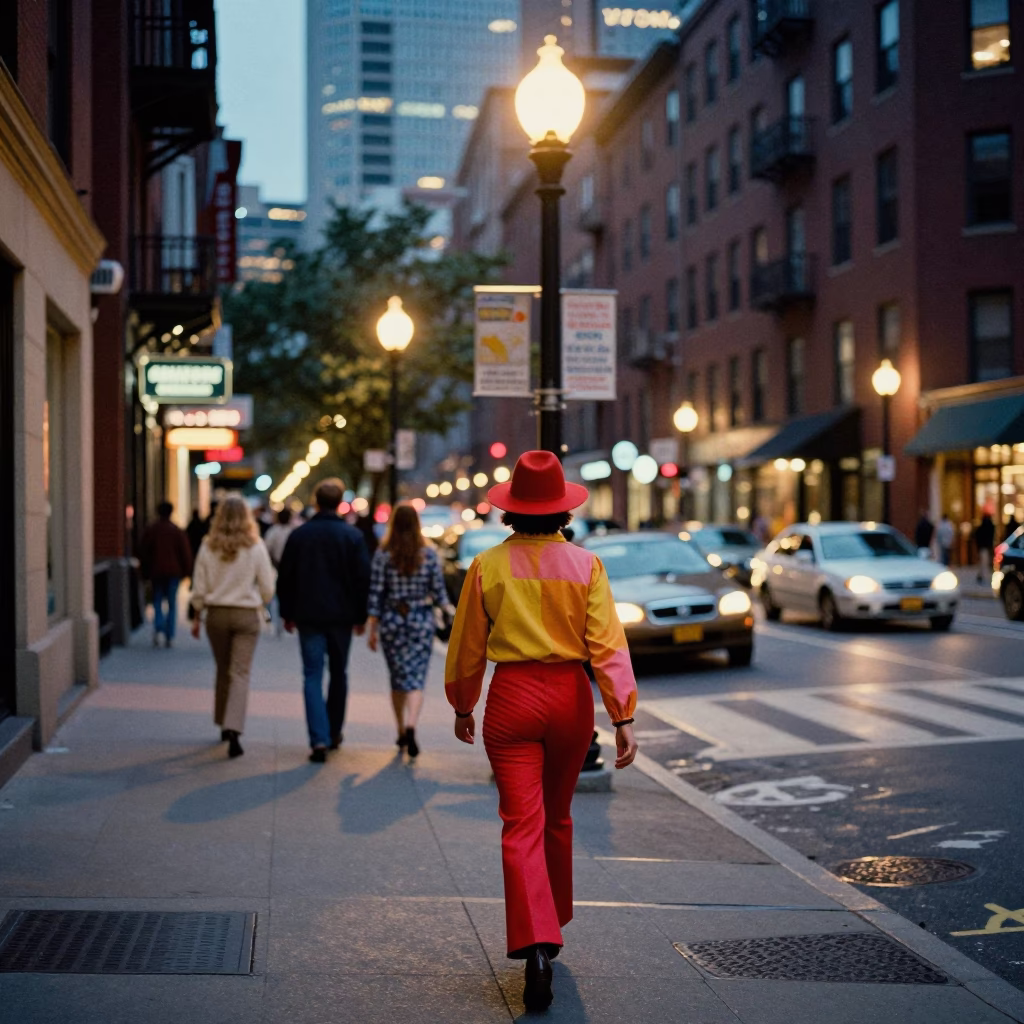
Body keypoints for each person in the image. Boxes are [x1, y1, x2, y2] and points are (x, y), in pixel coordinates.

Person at [445, 450, 639, 1014]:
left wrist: (463, 705)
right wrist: (622, 716)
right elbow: (607, 645)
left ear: (511, 512)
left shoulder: (486, 567)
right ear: (561, 511)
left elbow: (466, 647)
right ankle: (550, 927)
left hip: (511, 699)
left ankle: (534, 944)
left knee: (519, 823)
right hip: (570, 701)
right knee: (557, 816)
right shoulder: (587, 566)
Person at [276, 478, 371, 763]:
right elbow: (362, 580)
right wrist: (361, 616)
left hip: (308, 615)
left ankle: (318, 738)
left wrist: (287, 613)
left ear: (316, 502)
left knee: (312, 674)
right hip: (342, 617)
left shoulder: (300, 535)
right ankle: (334, 732)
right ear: (340, 502)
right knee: (339, 673)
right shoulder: (352, 537)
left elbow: (286, 577)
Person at [190, 495, 276, 758]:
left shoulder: (208, 546)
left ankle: (222, 723)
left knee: (223, 669)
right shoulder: (256, 546)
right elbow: (268, 587)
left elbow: (199, 587)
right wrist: (261, 600)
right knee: (240, 672)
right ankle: (234, 727)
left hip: (216, 614)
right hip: (246, 615)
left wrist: (197, 613)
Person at [365, 505, 452, 758]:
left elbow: (376, 594)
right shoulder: (428, 554)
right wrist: (448, 613)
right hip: (420, 621)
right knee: (416, 679)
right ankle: (413, 722)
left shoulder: (383, 554)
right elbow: (439, 593)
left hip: (393, 620)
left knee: (397, 678)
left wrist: (373, 629)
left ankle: (401, 729)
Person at [139, 501, 193, 648]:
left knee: (157, 601)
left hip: (156, 572)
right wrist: (187, 571)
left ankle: (159, 627)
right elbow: (185, 553)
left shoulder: (152, 530)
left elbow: (144, 552)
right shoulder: (176, 531)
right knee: (171, 602)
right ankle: (169, 634)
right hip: (173, 572)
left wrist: (145, 571)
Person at [974, 512, 996, 583]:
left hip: (984, 547)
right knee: (986, 563)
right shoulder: (990, 527)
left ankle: (984, 576)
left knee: (984, 563)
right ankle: (985, 576)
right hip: (987, 547)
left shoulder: (982, 528)